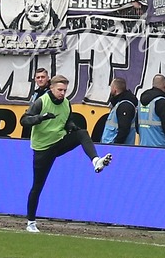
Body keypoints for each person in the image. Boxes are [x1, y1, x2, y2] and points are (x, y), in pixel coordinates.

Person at [22, 74, 109, 231]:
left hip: (59, 142)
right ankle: (31, 222)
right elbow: (24, 120)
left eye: (65, 90)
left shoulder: (67, 104)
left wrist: (71, 127)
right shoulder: (41, 101)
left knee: (82, 133)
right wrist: (40, 118)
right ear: (52, 88)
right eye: (60, 90)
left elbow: (66, 121)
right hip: (42, 148)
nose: (62, 93)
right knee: (38, 185)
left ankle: (95, 160)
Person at [134, 73, 165, 147]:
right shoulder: (162, 102)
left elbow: (137, 127)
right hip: (162, 149)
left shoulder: (140, 103)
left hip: (144, 147)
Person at [94, 75, 138, 146]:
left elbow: (124, 130)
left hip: (117, 150)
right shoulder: (119, 104)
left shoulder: (125, 105)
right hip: (111, 148)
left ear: (115, 89)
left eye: (111, 87)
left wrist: (115, 146)